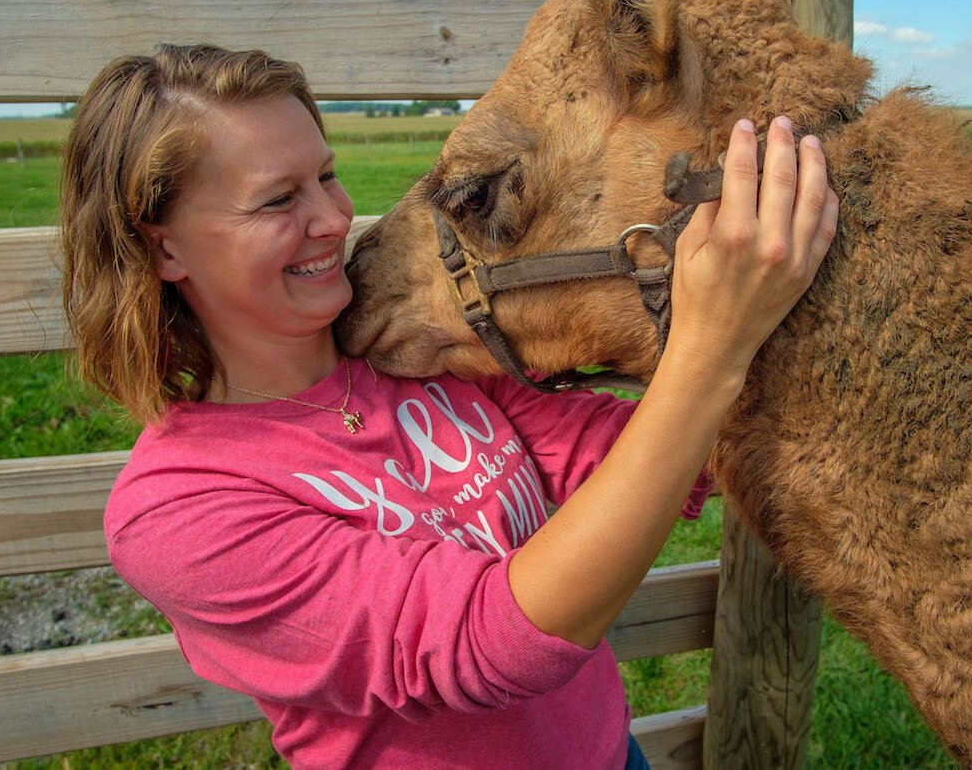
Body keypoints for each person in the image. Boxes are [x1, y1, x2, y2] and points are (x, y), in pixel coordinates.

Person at [61, 43, 837, 769]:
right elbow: (493, 645)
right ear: (163, 247)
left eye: (326, 176)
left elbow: (644, 453)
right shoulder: (177, 509)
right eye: (276, 201)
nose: (334, 220)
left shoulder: (420, 354)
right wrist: (708, 352)